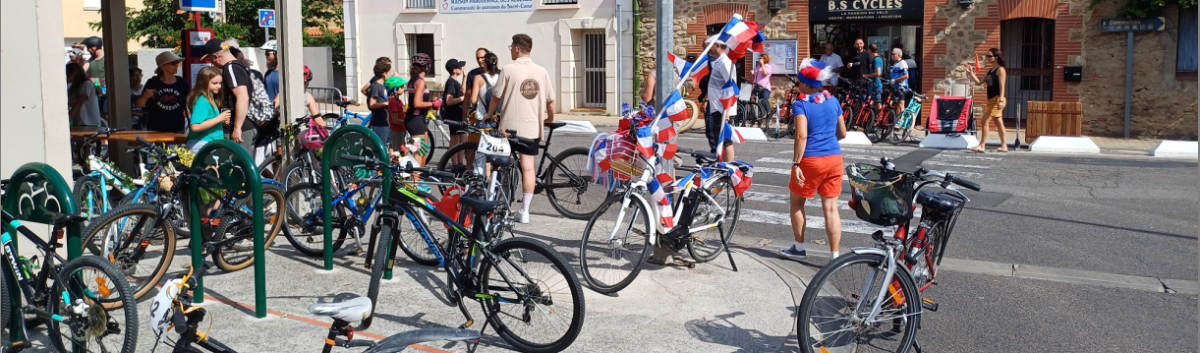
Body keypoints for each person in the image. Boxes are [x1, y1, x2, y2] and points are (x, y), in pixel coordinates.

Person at [779, 58, 847, 261]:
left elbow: (801, 136)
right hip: (834, 158)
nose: (798, 84)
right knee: (831, 208)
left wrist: (796, 163)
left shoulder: (801, 104)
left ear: (808, 85)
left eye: (800, 81)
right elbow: (842, 133)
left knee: (797, 203)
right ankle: (834, 257)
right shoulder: (833, 101)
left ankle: (799, 249)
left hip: (811, 160)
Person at [487, 33, 556, 224]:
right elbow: (551, 101)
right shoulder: (541, 71)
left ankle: (496, 205)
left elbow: (496, 96)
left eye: (511, 47)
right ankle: (524, 211)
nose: (511, 50)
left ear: (516, 48)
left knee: (499, 164)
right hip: (532, 126)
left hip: (508, 127)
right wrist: (549, 119)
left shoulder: (508, 70)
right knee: (527, 167)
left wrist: (489, 113)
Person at [200, 39, 259, 156]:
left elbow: (242, 97)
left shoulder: (231, 67)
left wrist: (237, 128)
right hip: (244, 127)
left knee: (240, 168)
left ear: (215, 56)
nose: (211, 63)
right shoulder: (240, 65)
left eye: (210, 59)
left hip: (242, 129)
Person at [405, 53, 440, 182]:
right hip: (415, 120)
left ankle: (419, 181)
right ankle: (415, 185)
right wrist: (433, 104)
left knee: (422, 152)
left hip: (416, 119)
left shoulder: (413, 79)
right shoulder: (420, 81)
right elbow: (417, 103)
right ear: (427, 66)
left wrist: (430, 104)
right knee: (418, 154)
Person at [966, 48, 1008, 153]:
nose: (987, 58)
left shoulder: (1000, 70)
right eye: (987, 56)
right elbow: (979, 82)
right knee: (999, 123)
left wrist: (1001, 100)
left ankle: (982, 145)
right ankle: (1004, 146)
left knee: (984, 121)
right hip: (991, 100)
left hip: (997, 99)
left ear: (996, 57)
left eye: (989, 56)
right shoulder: (990, 71)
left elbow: (1002, 86)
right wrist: (971, 73)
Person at [137, 51, 190, 133]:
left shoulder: (182, 82)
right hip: (155, 129)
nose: (176, 65)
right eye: (173, 63)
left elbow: (190, 100)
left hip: (177, 128)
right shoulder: (153, 82)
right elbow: (139, 104)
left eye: (177, 63)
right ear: (162, 67)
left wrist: (187, 108)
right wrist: (145, 96)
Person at [185, 66, 231, 153]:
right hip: (202, 144)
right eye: (214, 83)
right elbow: (195, 126)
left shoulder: (210, 99)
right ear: (204, 83)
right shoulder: (202, 101)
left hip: (208, 143)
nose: (219, 86)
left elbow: (208, 120)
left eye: (220, 83)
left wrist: (221, 119)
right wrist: (219, 118)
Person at [704, 35, 735, 161]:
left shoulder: (724, 62)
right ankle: (721, 164)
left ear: (717, 46)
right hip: (717, 107)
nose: (708, 49)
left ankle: (728, 167)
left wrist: (726, 111)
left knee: (726, 140)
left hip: (723, 108)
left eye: (710, 46)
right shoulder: (718, 61)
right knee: (718, 138)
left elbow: (730, 86)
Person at [442, 58, 468, 165]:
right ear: (454, 70)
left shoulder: (455, 82)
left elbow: (462, 92)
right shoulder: (451, 83)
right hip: (454, 115)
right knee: (455, 139)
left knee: (461, 140)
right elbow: (449, 100)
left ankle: (460, 163)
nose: (461, 68)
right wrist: (462, 99)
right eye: (459, 67)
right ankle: (455, 164)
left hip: (459, 114)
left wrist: (465, 77)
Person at [79, 36, 108, 121]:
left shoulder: (106, 59)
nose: (88, 50)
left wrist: (104, 89)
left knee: (106, 117)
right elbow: (82, 71)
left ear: (94, 47)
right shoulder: (91, 60)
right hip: (96, 94)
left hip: (106, 94)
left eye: (88, 47)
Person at [366, 57, 393, 145]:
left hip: (385, 122)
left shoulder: (383, 86)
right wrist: (386, 103)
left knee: (388, 146)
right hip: (379, 123)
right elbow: (372, 104)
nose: (390, 74)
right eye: (389, 72)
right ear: (384, 73)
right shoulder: (376, 86)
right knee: (380, 148)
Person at [464, 47, 490, 123]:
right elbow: (467, 96)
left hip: (494, 116)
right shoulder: (472, 74)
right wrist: (464, 117)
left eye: (482, 57)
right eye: (477, 58)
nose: (479, 60)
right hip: (478, 116)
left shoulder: (498, 73)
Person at [386, 75, 409, 155]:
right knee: (398, 152)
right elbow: (395, 120)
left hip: (401, 130)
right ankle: (396, 166)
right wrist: (406, 121)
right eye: (401, 87)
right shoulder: (393, 101)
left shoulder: (398, 101)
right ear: (395, 90)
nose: (403, 89)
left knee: (402, 151)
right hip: (397, 131)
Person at [889, 48, 911, 114]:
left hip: (901, 87)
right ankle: (897, 120)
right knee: (896, 104)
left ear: (898, 55)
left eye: (893, 54)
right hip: (895, 87)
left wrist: (895, 80)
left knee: (901, 104)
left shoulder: (902, 63)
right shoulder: (895, 64)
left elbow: (906, 76)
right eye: (891, 54)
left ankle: (901, 122)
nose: (891, 55)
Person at [864, 44, 885, 110]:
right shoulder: (879, 59)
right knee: (874, 103)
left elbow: (878, 73)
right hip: (874, 85)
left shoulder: (876, 60)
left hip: (876, 85)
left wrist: (866, 76)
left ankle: (879, 118)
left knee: (878, 102)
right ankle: (876, 117)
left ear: (870, 50)